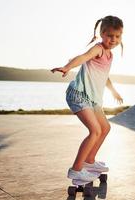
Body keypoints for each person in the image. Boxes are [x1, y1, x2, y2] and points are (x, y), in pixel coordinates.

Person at [51, 15, 124, 181]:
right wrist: (67, 67)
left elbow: (104, 75)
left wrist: (113, 91)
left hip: (93, 99)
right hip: (79, 95)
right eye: (109, 36)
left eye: (117, 36)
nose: (113, 40)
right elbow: (83, 57)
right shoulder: (98, 49)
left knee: (105, 128)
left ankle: (89, 161)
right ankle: (76, 169)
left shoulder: (110, 55)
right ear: (102, 34)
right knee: (95, 131)